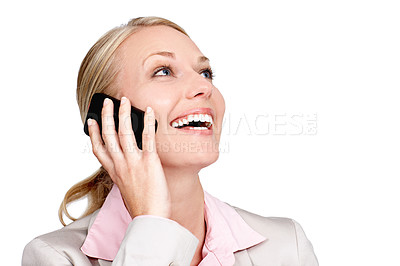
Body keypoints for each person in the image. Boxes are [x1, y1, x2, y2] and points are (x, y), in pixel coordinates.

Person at [22, 16, 319, 266]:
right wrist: (151, 223)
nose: (204, 86)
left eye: (206, 72)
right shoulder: (55, 257)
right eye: (163, 71)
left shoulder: (286, 248)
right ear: (107, 116)